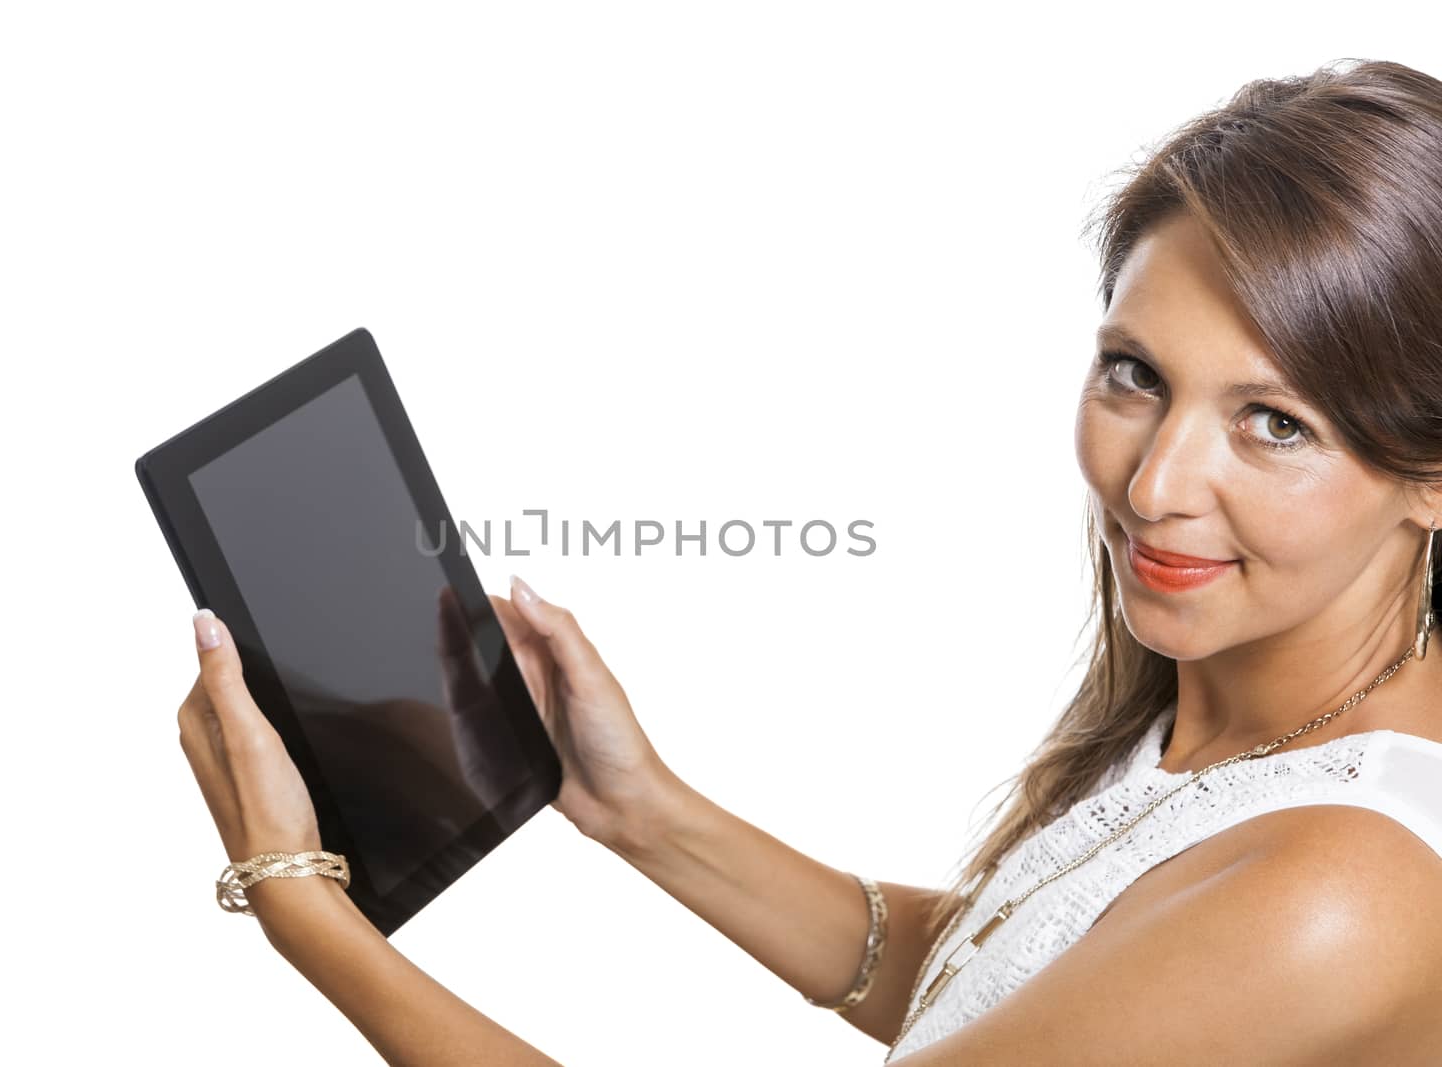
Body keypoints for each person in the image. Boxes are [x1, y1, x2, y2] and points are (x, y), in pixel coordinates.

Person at [173, 57, 1442, 1064]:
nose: (1155, 485)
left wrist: (300, 903)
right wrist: (641, 809)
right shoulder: (1249, 714)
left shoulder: (1341, 888)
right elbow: (1027, 987)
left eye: (1276, 424)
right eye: (1134, 375)